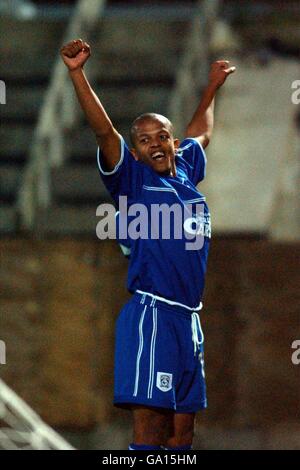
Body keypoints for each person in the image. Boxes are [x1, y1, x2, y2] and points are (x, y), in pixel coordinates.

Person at [61, 38, 236, 450]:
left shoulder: (186, 172)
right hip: (152, 316)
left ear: (172, 143)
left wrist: (211, 88)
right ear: (135, 152)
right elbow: (104, 131)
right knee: (151, 434)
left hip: (188, 319)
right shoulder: (135, 182)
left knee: (181, 435)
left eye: (161, 136)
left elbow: (201, 132)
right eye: (143, 140)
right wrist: (77, 74)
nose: (155, 143)